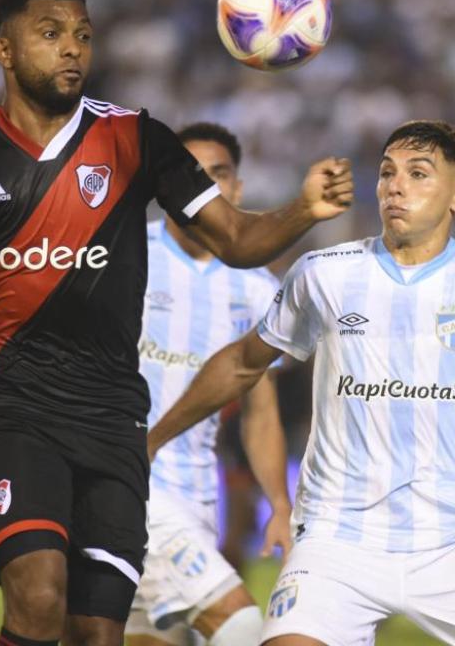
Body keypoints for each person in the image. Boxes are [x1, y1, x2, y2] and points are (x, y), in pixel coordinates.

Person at [0, 0, 353, 646]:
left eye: (83, 34)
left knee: (98, 632)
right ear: (3, 49)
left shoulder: (136, 139)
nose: (73, 48)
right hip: (12, 409)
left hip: (112, 418)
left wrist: (303, 210)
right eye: (50, 33)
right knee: (39, 595)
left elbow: (237, 240)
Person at [147, 120, 455, 645]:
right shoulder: (323, 274)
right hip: (338, 540)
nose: (396, 186)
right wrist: (150, 441)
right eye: (386, 173)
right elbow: (243, 363)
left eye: (418, 174)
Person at [126, 123, 291, 646]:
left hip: (196, 493)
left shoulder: (258, 288)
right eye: (191, 174)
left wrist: (280, 504)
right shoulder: (125, 252)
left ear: (235, 190)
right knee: (240, 626)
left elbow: (260, 410)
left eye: (217, 175)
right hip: (122, 479)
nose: (204, 187)